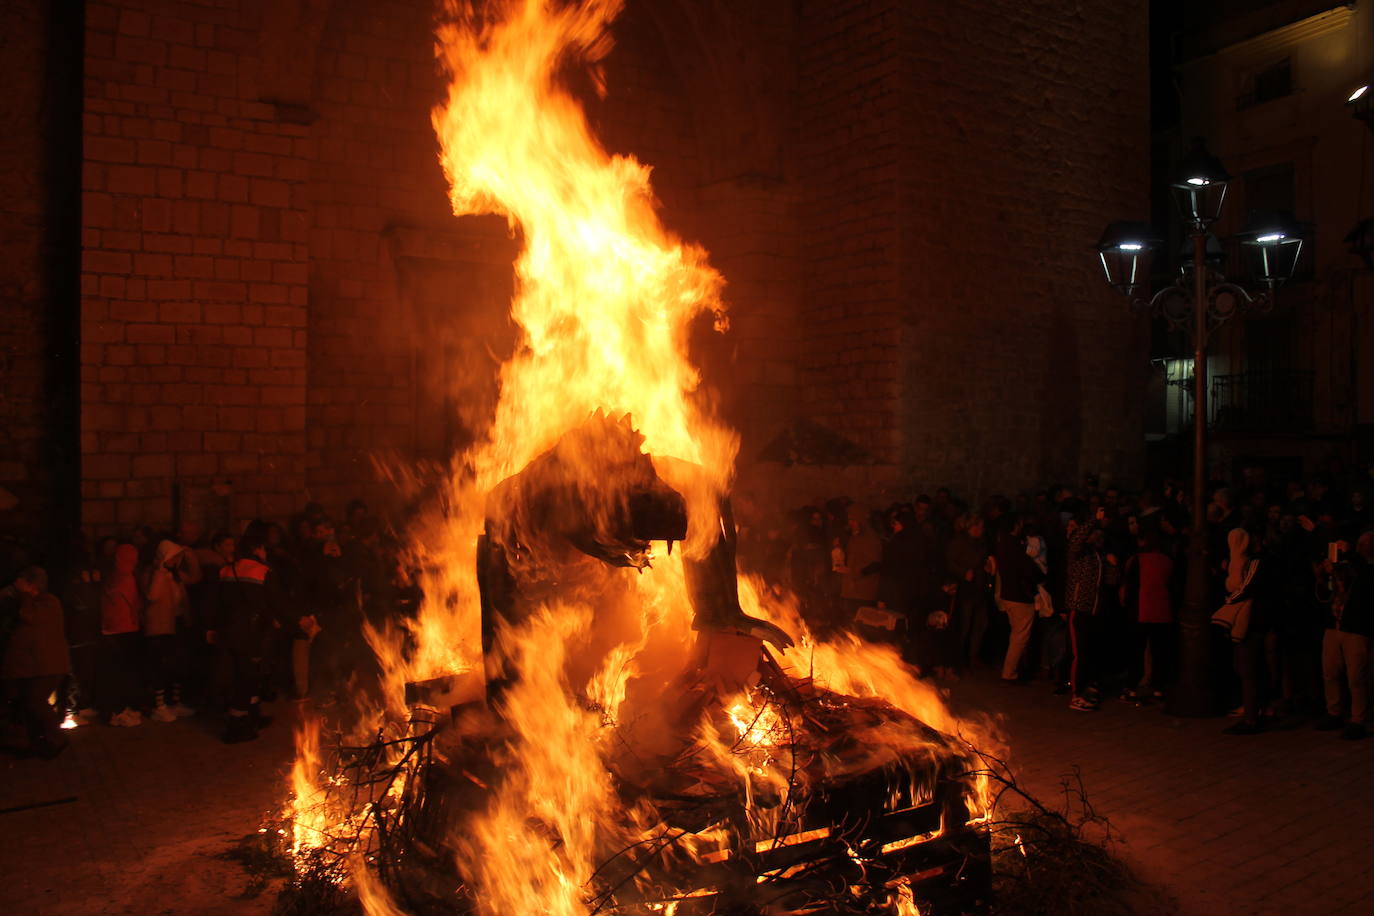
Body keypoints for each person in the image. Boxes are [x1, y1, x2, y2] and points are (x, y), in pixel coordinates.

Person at [1, 567, 71, 757]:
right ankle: (38, 740)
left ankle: (56, 738)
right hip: (31, 666)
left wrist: (23, 595)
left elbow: (30, 616)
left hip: (48, 665)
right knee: (27, 702)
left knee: (35, 701)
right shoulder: (25, 602)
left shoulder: (48, 602)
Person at [1316, 533, 1374, 740]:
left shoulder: (1364, 569)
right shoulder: (1346, 567)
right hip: (1334, 625)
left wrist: (1348, 560)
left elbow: (1363, 579)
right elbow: (1328, 594)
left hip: (1355, 628)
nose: (1359, 547)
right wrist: (1323, 577)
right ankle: (1335, 712)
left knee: (1356, 677)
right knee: (1330, 671)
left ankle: (1359, 719)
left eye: (1363, 544)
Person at [143, 539, 198, 721]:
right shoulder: (152, 573)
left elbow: (196, 578)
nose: (176, 560)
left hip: (177, 624)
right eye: (174, 557)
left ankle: (175, 702)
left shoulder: (176, 575)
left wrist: (189, 557)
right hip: (160, 627)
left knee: (178, 664)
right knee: (160, 666)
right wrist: (160, 570)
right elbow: (152, 595)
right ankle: (159, 706)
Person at [1121, 531, 1175, 701]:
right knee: (1159, 651)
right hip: (1163, 612)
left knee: (1136, 651)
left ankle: (1132, 686)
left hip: (1141, 611)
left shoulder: (1137, 560)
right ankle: (1159, 686)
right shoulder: (1167, 561)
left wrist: (1126, 606)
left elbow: (1129, 586)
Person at [992, 515, 1044, 684]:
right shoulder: (1014, 546)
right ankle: (1010, 673)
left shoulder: (1003, 544)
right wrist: (1039, 576)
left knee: (1017, 634)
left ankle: (1014, 669)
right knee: (1020, 636)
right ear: (1015, 525)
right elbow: (1026, 569)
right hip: (1019, 596)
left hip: (1008, 594)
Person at [100, 543, 144, 727]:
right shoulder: (126, 577)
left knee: (115, 671)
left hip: (111, 628)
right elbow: (133, 602)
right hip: (124, 628)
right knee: (120, 672)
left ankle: (117, 708)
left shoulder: (112, 576)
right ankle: (117, 711)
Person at [1065, 513, 1105, 710]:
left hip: (1093, 611)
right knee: (1078, 654)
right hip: (1079, 608)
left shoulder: (1097, 556)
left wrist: (1113, 567)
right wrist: (1093, 519)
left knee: (1089, 652)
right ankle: (1076, 695)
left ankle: (1088, 689)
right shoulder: (1078, 552)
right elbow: (1077, 538)